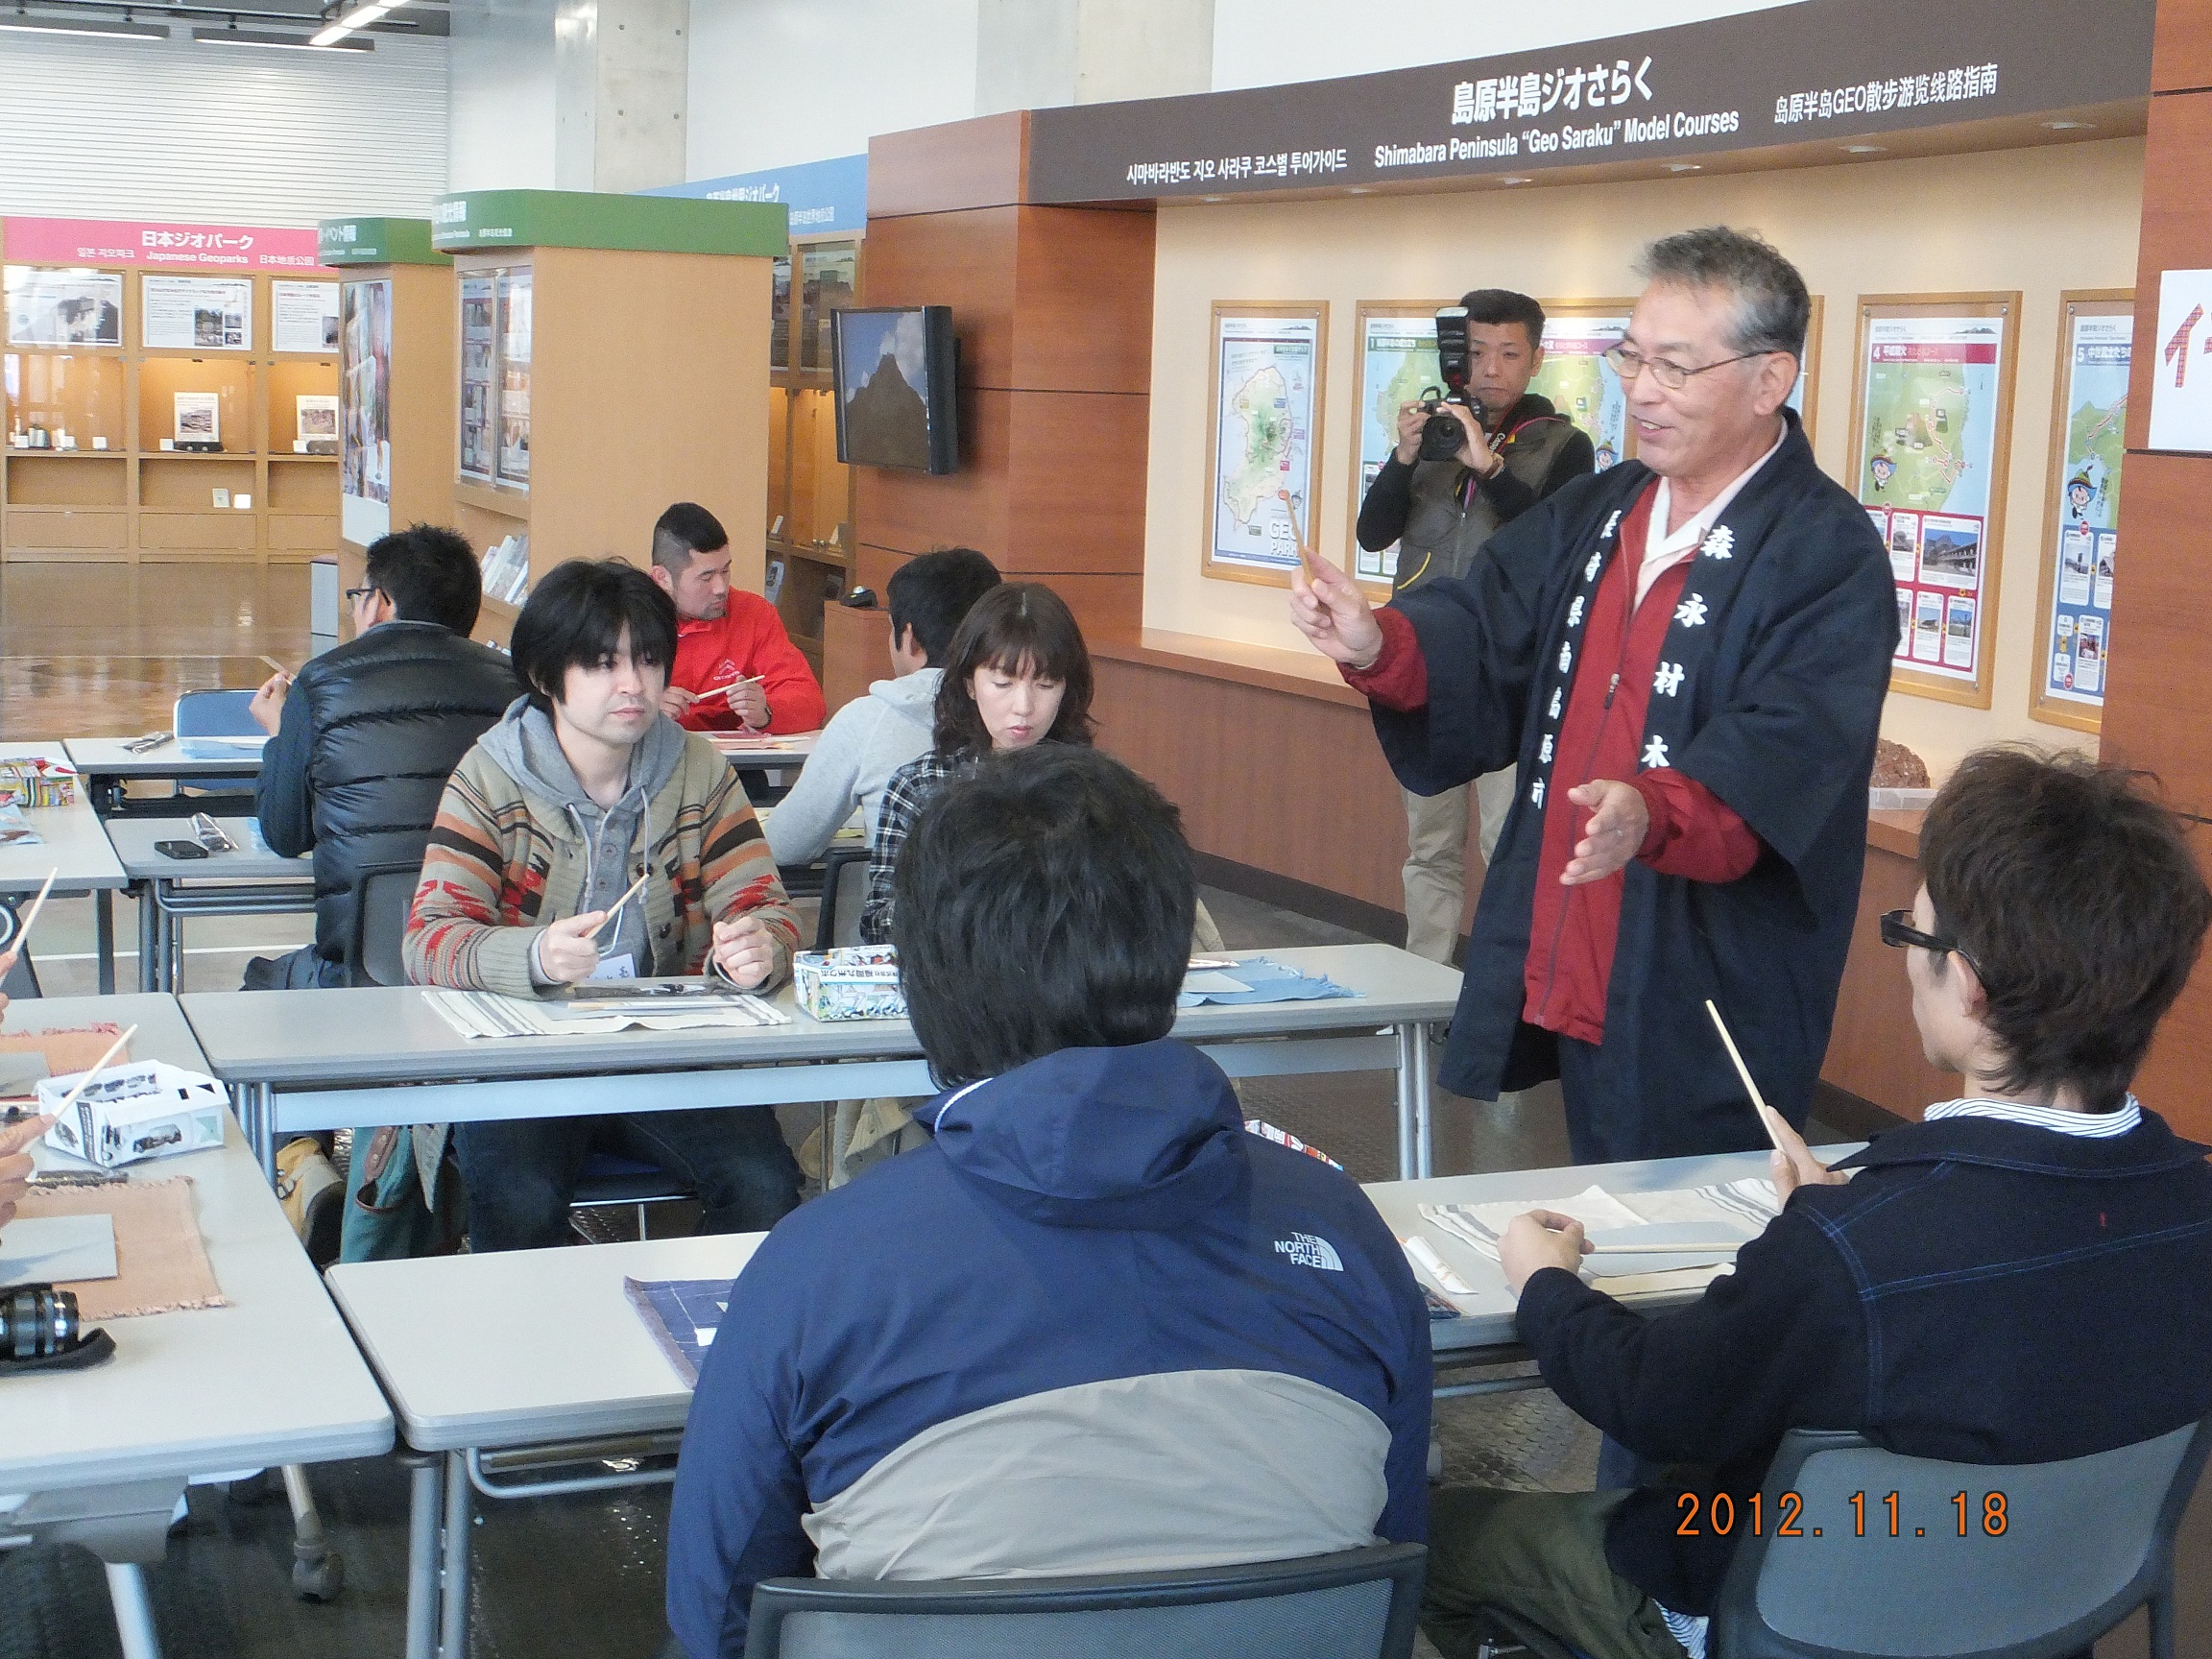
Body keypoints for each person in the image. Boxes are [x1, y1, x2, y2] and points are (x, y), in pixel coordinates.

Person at [1418, 746, 2212, 1659]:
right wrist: (1842, 1220)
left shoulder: (1851, 1256)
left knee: (1437, 1541)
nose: (1908, 966)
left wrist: (1544, 1283)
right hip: (2044, 1608)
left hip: (1787, 1617)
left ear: (1974, 985)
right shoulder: (2190, 1207)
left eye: (1912, 939)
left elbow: (1661, 1401)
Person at [665, 745, 1432, 1656]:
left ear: (922, 981)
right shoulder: (1342, 1230)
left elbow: (717, 1617)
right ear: (1171, 957)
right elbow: (1393, 1535)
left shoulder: (815, 1266)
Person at [1290, 226, 1897, 1163]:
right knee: (1593, 1195)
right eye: (1631, 355)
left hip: (1702, 972)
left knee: (1692, 1243)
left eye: (1676, 366)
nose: (1641, 388)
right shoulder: (1605, 505)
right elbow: (1488, 628)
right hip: (1576, 933)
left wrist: (1654, 811)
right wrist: (1379, 642)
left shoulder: (1828, 553)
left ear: (1770, 380)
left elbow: (1794, 736)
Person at [404, 559, 805, 1252]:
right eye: (601, 664)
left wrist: (757, 947)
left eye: (649, 660)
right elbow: (428, 939)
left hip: (663, 1053)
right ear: (544, 676)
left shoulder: (699, 770)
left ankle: (712, 1345)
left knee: (763, 1182)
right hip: (522, 1059)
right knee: (519, 1199)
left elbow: (765, 904)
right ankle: (541, 1354)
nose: (634, 684)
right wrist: (531, 955)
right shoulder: (491, 774)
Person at [1357, 289, 1596, 963]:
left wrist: (1489, 468)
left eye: (1509, 353)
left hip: (1511, 675)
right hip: (1427, 666)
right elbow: (1372, 532)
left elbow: (1564, 547)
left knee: (1506, 845)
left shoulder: (1563, 448)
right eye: (1479, 351)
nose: (1491, 368)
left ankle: (1499, 999)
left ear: (1536, 359)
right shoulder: (1433, 440)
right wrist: (1405, 459)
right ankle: (1422, 985)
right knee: (1428, 846)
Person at [243, 524, 519, 991]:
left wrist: (280, 735)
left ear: (382, 603)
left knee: (259, 986)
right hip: (484, 965)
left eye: (359, 596)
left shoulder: (322, 683)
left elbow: (285, 832)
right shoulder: (514, 687)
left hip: (354, 968)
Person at [857, 581, 1094, 946]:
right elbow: (880, 924)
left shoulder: (1095, 790)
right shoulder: (921, 785)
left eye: (1045, 685)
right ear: (969, 683)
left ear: (1068, 689)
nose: (1024, 707)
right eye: (1002, 683)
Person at [762, 546, 999, 868]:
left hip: (895, 915)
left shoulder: (867, 720)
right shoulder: (1026, 717)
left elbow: (784, 845)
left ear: (910, 638)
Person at [649, 502, 826, 735]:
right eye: (706, 577)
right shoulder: (629, 617)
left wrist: (766, 712)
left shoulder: (753, 613)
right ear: (662, 578)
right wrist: (645, 709)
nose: (721, 588)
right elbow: (592, 699)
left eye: (725, 571)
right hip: (654, 757)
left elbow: (809, 700)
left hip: (737, 763)